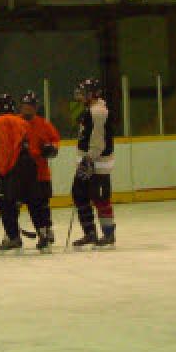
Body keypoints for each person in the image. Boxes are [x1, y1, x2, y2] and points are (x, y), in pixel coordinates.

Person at [0, 93, 51, 252]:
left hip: (14, 166)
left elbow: (5, 149)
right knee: (33, 201)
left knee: (5, 202)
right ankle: (44, 235)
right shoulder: (21, 121)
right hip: (29, 164)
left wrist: (0, 170)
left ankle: (13, 237)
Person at [72, 78, 117, 248]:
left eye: (84, 93)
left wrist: (89, 158)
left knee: (100, 198)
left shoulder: (98, 112)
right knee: (79, 194)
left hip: (97, 164)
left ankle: (108, 234)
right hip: (88, 162)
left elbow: (98, 141)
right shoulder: (90, 110)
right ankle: (90, 233)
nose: (81, 96)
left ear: (92, 94)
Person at [20, 91, 61, 244]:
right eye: (25, 106)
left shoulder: (43, 124)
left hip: (41, 171)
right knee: (30, 203)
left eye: (30, 106)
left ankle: (47, 229)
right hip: (23, 172)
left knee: (43, 203)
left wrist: (52, 148)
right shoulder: (16, 123)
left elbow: (55, 140)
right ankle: (36, 232)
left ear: (36, 107)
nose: (27, 109)